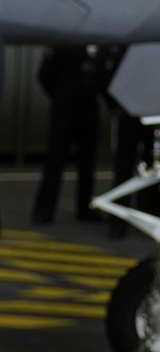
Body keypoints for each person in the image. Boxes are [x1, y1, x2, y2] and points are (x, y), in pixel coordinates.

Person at [31, 44, 114, 225]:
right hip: (64, 111)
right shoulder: (63, 44)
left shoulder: (102, 46)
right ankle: (44, 210)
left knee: (88, 164)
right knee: (55, 161)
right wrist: (61, 96)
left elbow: (105, 78)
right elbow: (45, 76)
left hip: (89, 110)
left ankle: (84, 208)